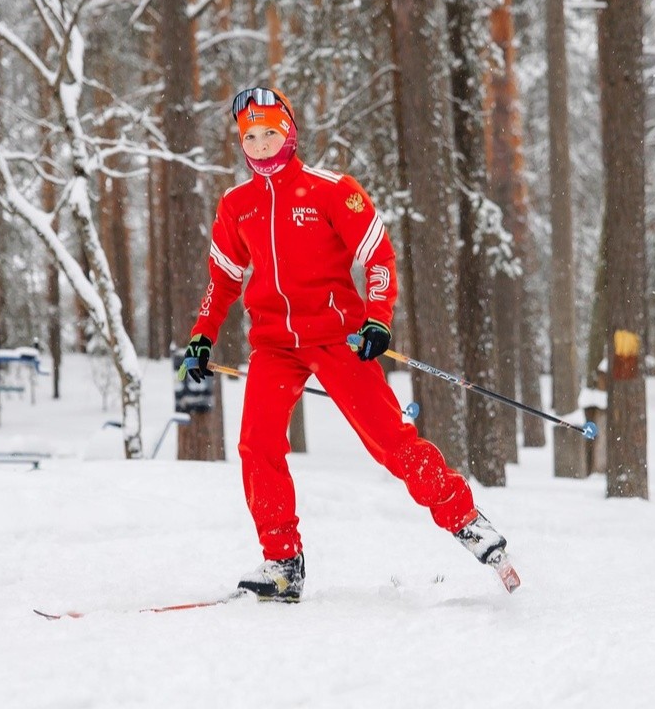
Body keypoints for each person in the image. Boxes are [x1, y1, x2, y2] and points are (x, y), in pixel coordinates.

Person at [178, 86, 510, 602]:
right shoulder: (236, 205)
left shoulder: (331, 190)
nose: (262, 145)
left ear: (289, 131)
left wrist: (377, 320)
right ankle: (283, 563)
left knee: (390, 441)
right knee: (257, 446)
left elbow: (378, 256)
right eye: (251, 136)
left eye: (270, 132)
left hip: (338, 339)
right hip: (274, 347)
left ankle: (466, 519)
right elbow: (221, 281)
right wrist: (202, 336)